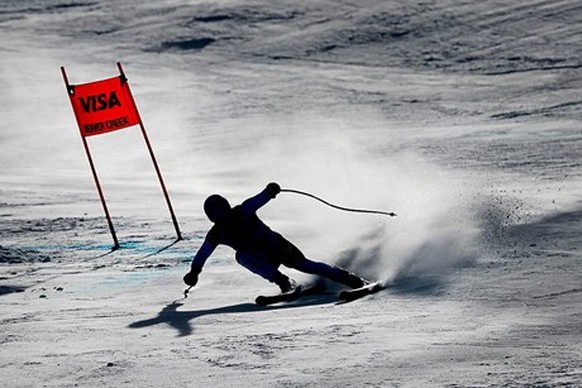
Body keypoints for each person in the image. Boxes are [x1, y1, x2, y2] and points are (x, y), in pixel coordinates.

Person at [183, 182, 369, 294]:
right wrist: (194, 272)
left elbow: (257, 200)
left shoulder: (242, 211)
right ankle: (283, 282)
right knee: (241, 256)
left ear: (226, 207)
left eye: (221, 209)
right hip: (262, 258)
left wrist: (269, 191)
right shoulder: (216, 234)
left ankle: (351, 279)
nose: (220, 215)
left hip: (277, 246)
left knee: (305, 265)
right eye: (215, 213)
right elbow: (202, 254)